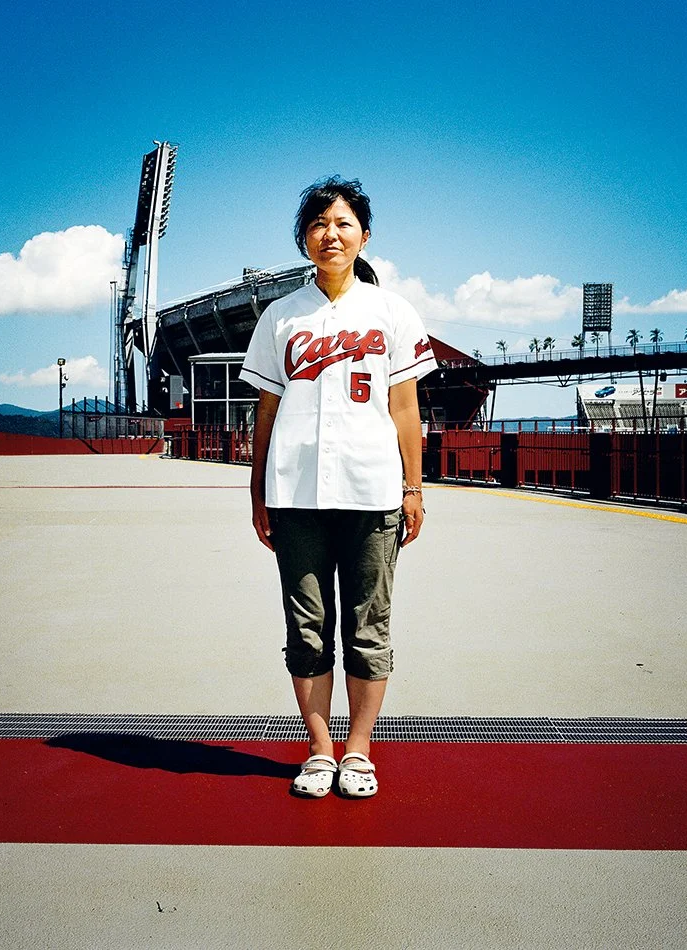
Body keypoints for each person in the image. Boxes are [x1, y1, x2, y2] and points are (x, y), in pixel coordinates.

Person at [239, 177, 436, 799]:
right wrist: (258, 489)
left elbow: (405, 407)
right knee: (306, 628)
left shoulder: (392, 312)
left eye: (343, 223)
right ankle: (320, 751)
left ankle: (360, 751)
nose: (331, 234)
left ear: (364, 236)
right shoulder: (280, 316)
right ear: (304, 238)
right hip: (295, 493)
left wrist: (413, 488)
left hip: (372, 490)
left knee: (367, 627)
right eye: (319, 224)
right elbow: (266, 410)